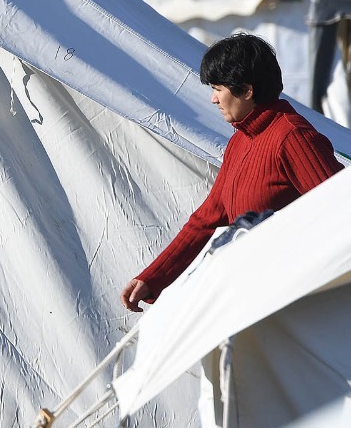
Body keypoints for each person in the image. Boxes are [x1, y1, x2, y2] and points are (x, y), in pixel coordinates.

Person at [121, 34, 342, 311]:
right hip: (253, 297)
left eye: (218, 88)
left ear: (246, 90)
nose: (213, 99)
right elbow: (207, 219)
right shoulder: (240, 141)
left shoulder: (293, 137)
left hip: (296, 304)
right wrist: (152, 278)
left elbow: (340, 215)